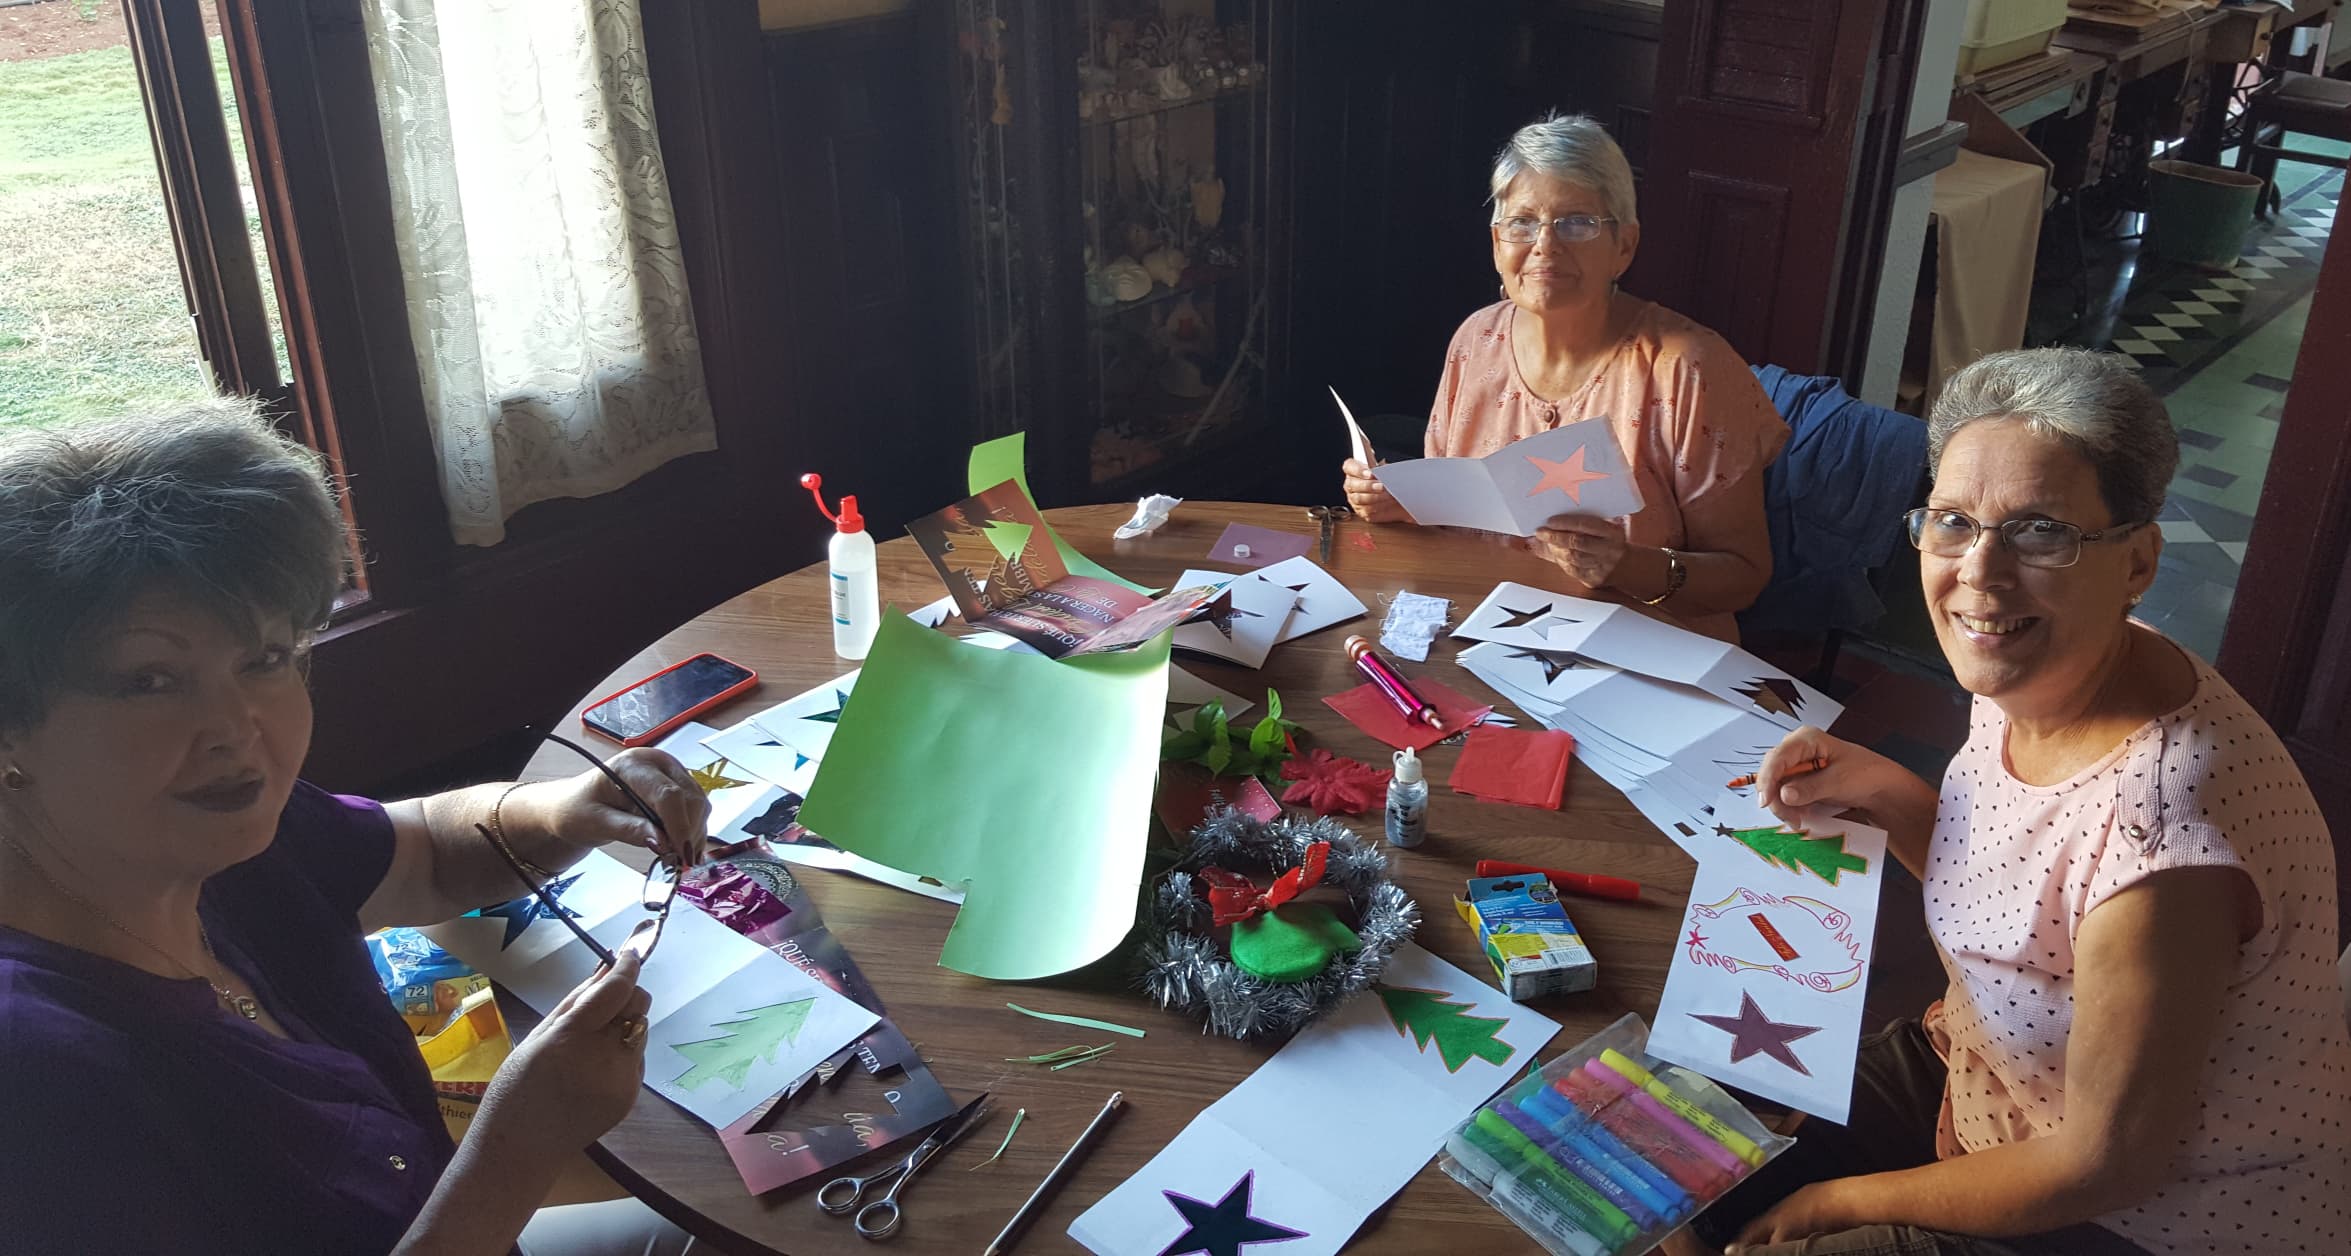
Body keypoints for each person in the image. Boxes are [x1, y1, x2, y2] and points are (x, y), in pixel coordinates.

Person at [0, 404, 714, 1254]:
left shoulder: (211, 828)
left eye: (264, 659)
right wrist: (516, 1152)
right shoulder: (41, 1082)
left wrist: (560, 809)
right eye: (152, 681)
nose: (238, 728)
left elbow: (426, 853)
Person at [1686, 349, 2351, 1255]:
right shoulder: (2042, 656)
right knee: (1667, 1171)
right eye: (1952, 522)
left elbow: (2105, 1162)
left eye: (2040, 532)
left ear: (2136, 562)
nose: (1980, 574)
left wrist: (1839, 1204)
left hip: (2133, 1217)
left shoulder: (2164, 843)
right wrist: (1890, 793)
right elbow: (2025, 903)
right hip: (1987, 1072)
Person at [1340, 113, 1788, 642]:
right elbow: (1460, 522)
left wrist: (1626, 565)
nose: (1545, 246)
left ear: (1625, 246)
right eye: (1522, 222)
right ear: (1496, 243)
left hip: (1638, 653)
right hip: (1485, 634)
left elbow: (1743, 577)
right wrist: (1401, 501)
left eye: (1577, 223)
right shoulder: (1475, 341)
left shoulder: (1688, 370)